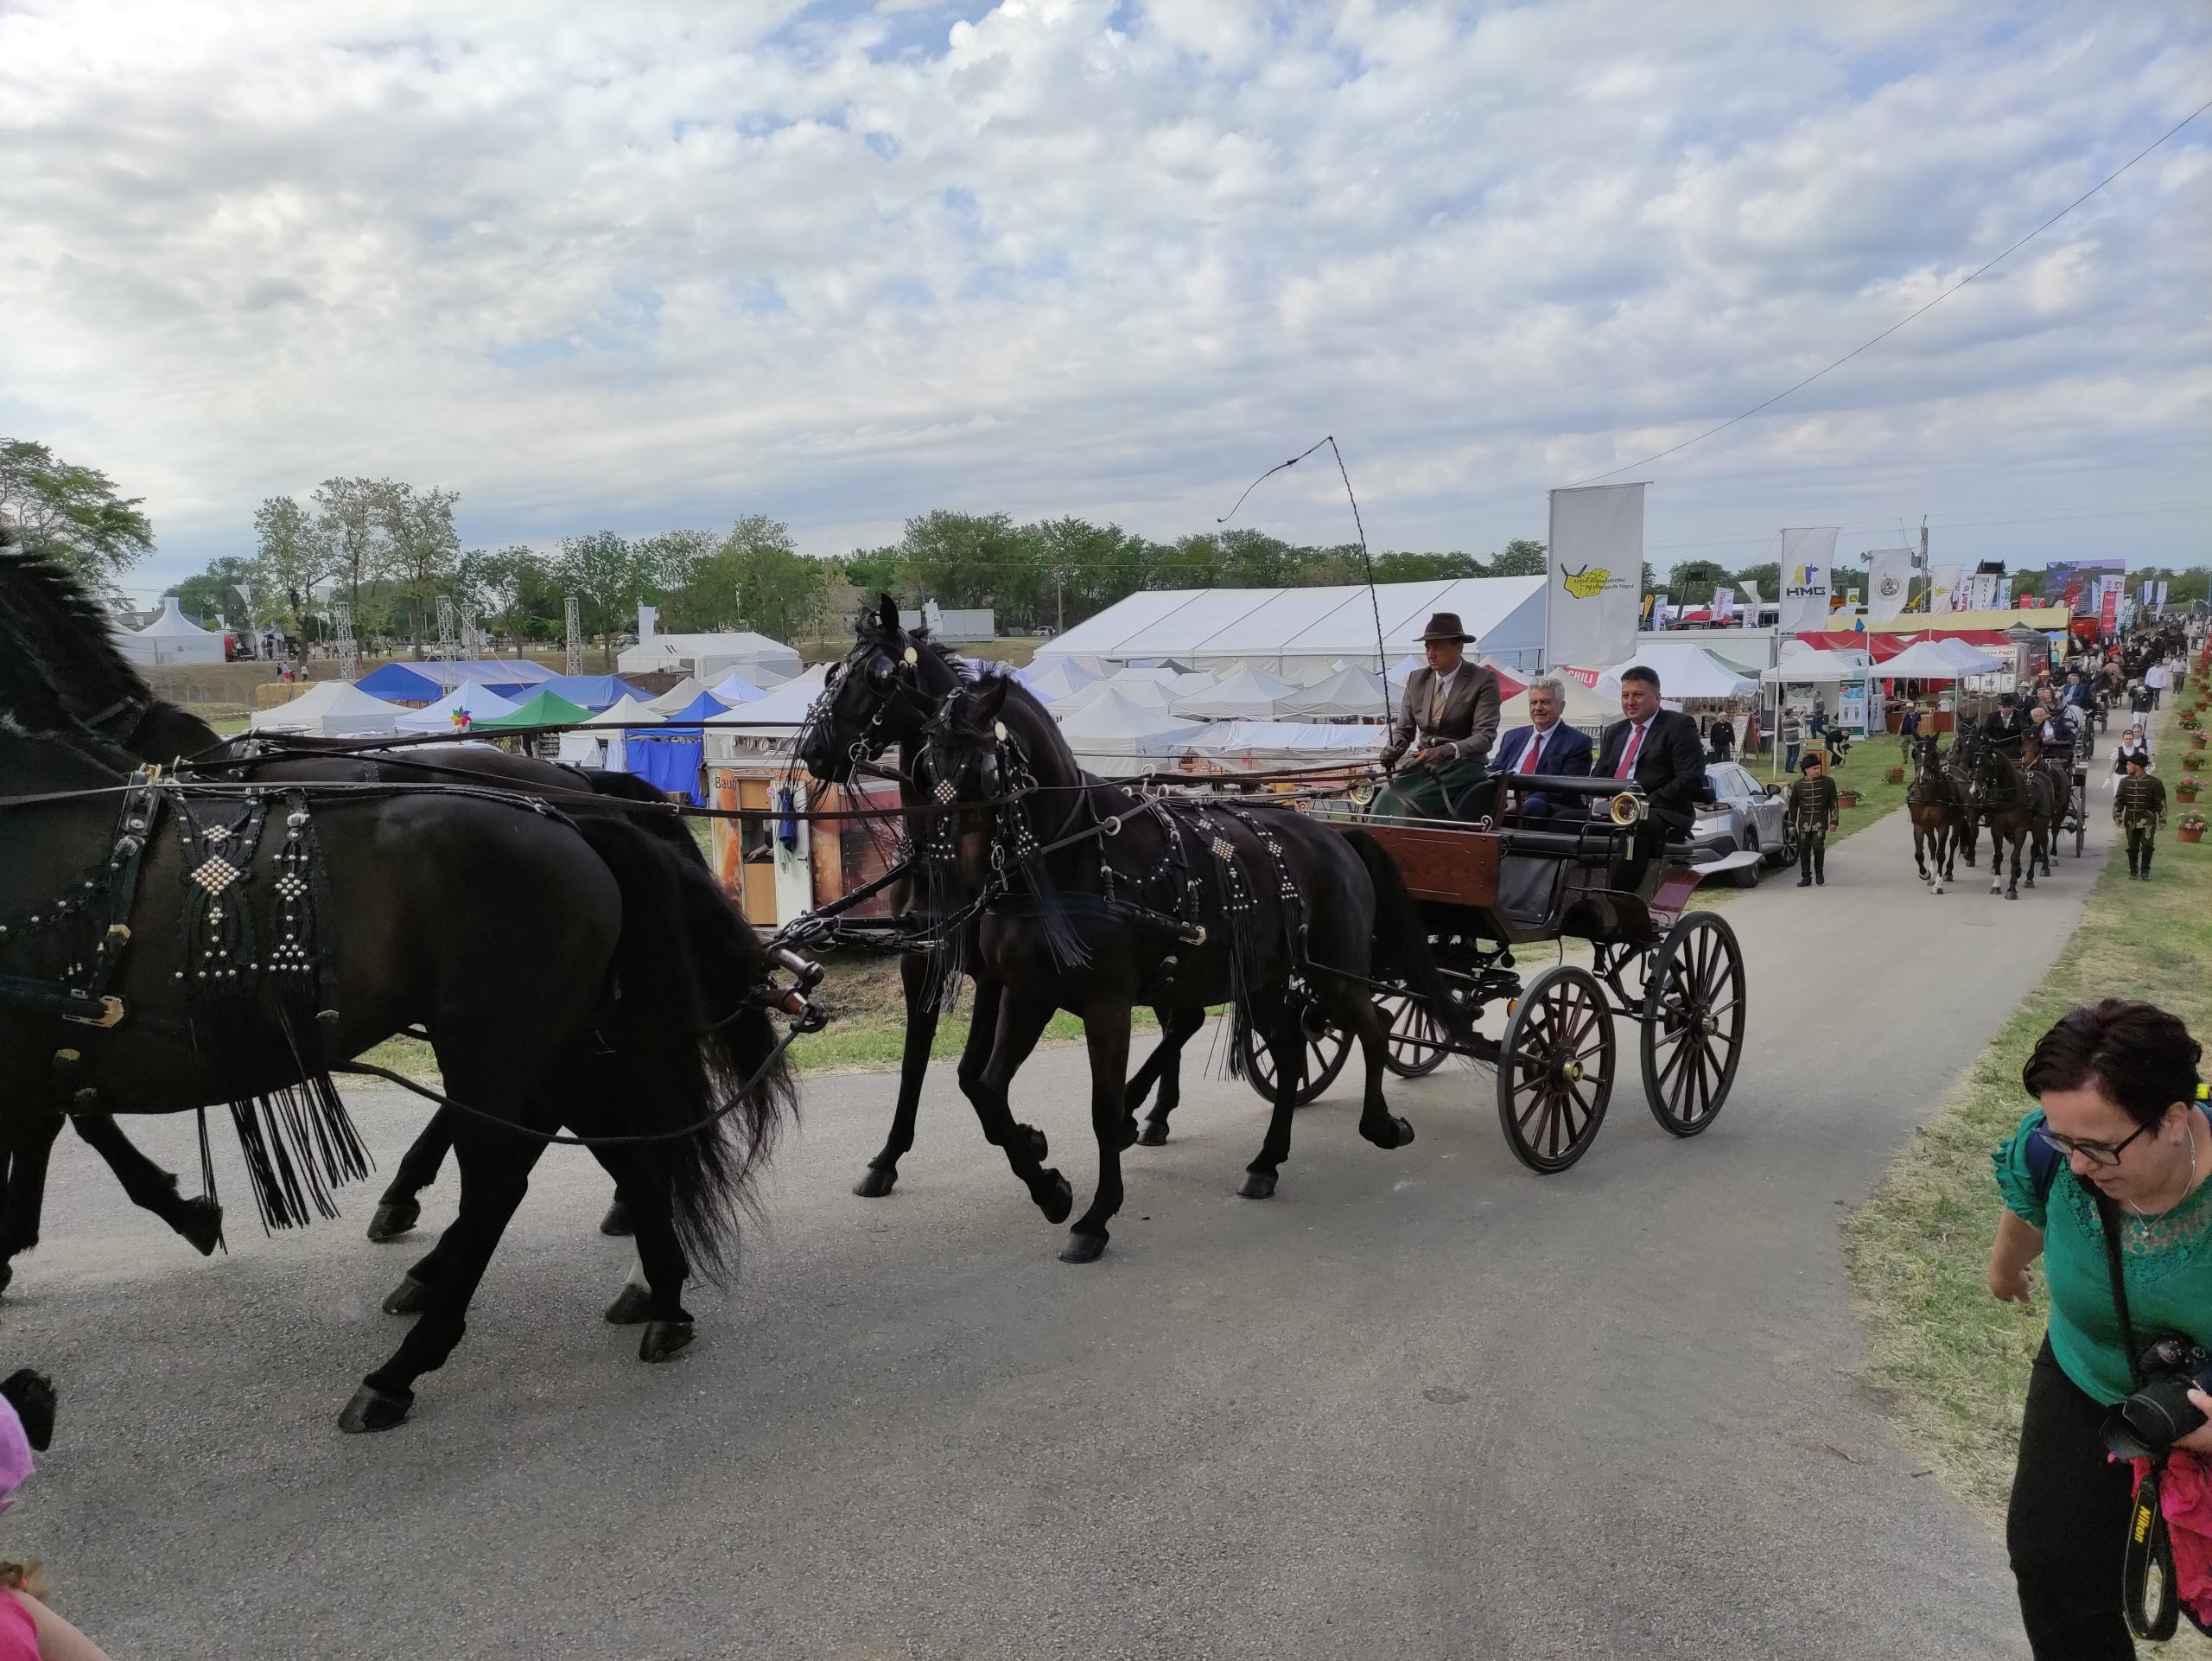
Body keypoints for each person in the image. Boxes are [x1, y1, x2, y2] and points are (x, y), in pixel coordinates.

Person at [1989, 1001, 2212, 1658]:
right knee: (2052, 1571)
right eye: (2064, 1139)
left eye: (2097, 1146)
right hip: (2086, 1380)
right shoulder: (2052, 1151)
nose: (2078, 1164)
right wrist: (2005, 1272)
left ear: (2173, 1120)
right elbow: (2030, 1210)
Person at [1373, 612, 1501, 823]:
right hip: (1423, 765)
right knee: (1384, 798)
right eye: (1428, 647)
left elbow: (1485, 737)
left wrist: (1446, 751)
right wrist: (1393, 748)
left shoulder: (1483, 680)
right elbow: (1404, 729)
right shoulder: (1417, 679)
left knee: (1411, 804)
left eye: (1438, 647)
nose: (1431, 654)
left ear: (1459, 647)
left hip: (1463, 767)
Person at [1592, 665, 1707, 887]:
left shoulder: (1678, 726)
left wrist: (1641, 805)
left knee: (1636, 824)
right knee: (1562, 818)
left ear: (1657, 698)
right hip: (1614, 808)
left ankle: (1619, 897)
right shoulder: (1615, 731)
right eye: (1625, 696)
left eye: (1638, 695)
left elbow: (1691, 778)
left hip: (1660, 810)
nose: (1630, 702)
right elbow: (1599, 775)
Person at [1491, 675, 1592, 819]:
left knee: (1534, 806)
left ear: (1561, 707)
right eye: (1533, 702)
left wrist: (1520, 801)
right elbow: (1495, 771)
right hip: (1505, 798)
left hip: (1547, 805)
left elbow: (1566, 789)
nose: (1538, 708)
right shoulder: (1512, 737)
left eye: (1545, 702)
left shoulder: (1578, 742)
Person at [1785, 750, 1840, 886]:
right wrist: (1791, 824)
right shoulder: (1798, 785)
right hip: (1804, 823)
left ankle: (1819, 873)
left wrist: (1834, 821)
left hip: (1820, 822)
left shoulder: (1828, 782)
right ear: (1806, 770)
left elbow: (1833, 802)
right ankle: (1806, 877)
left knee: (1818, 847)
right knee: (1803, 849)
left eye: (1818, 768)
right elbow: (1793, 805)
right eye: (1814, 768)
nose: (1818, 771)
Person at [2113, 751, 2168, 881]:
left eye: (2129, 764)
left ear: (2137, 766)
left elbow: (2161, 802)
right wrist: (2117, 814)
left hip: (2148, 820)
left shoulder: (2155, 783)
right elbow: (2119, 800)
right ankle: (2133, 871)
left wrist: (2162, 819)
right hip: (2131, 820)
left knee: (2148, 845)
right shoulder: (2125, 782)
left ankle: (2145, 871)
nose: (2127, 767)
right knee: (2132, 846)